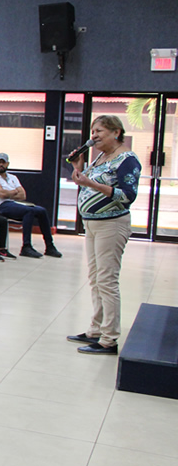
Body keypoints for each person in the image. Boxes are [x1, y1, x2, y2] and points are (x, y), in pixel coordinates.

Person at [67, 115, 140, 355]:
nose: (94, 136)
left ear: (116, 132)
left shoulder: (126, 160)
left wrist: (94, 184)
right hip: (93, 224)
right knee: (96, 277)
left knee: (107, 281)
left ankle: (109, 339)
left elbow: (128, 196)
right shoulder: (100, 156)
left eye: (99, 131)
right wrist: (78, 169)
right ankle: (95, 329)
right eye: (93, 131)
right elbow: (85, 183)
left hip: (112, 225)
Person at [0, 152, 62, 258]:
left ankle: (49, 246)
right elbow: (1, 194)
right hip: (1, 206)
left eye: (3, 163)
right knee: (29, 211)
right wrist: (13, 192)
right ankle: (26, 247)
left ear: (8, 164)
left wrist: (8, 193)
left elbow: (23, 195)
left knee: (42, 211)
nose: (1, 165)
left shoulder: (12, 177)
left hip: (15, 204)